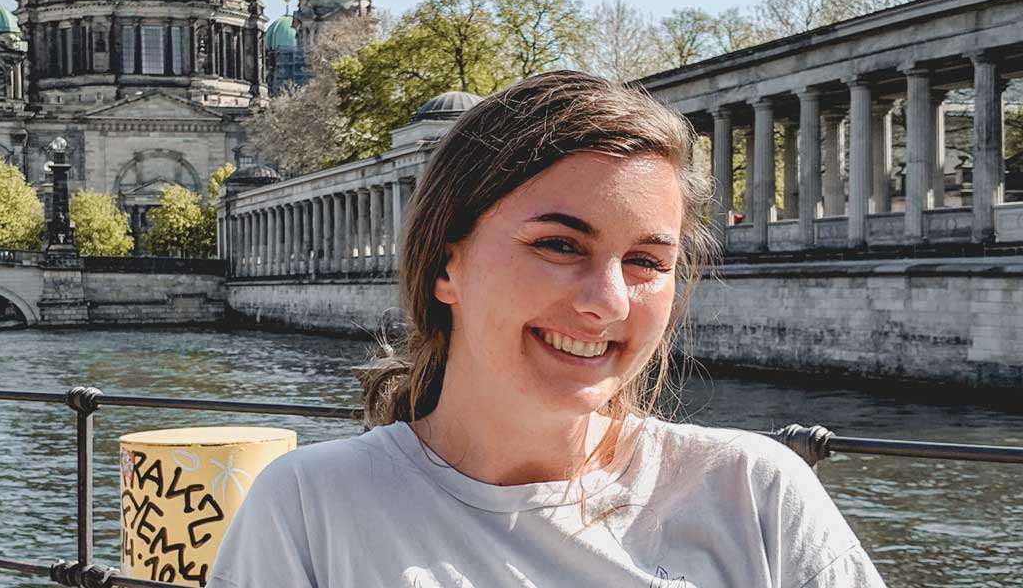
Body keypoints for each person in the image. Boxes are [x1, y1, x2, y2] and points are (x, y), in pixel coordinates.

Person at [209, 71, 884, 588]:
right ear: (448, 265)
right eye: (559, 245)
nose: (607, 302)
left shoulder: (755, 491)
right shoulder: (305, 506)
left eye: (648, 260)